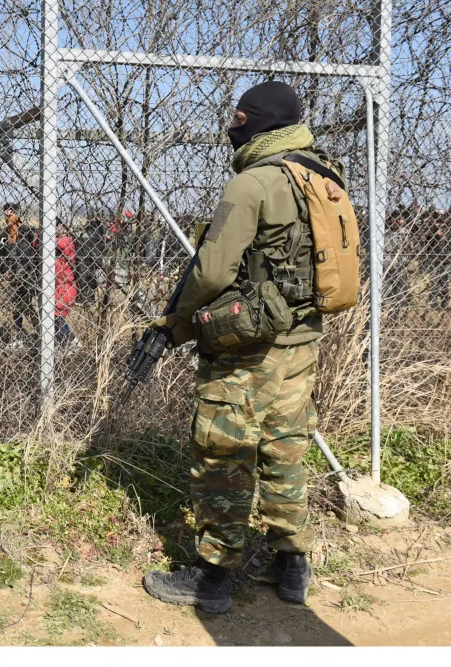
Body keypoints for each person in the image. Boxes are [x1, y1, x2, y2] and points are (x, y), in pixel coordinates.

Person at [142, 81, 331, 613]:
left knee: (225, 451)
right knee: (285, 446)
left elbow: (212, 269)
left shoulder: (252, 183)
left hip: (248, 346)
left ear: (258, 122)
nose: (233, 125)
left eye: (239, 117)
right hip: (301, 341)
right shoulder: (321, 176)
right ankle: (291, 565)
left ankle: (212, 578)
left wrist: (175, 322)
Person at [0, 202, 38, 347]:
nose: (9, 218)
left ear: (17, 214)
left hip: (28, 276)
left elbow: (34, 253)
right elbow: (1, 255)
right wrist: (4, 271)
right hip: (14, 277)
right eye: (7, 215)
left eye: (12, 214)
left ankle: (41, 333)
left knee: (28, 307)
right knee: (16, 309)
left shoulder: (27, 232)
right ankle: (18, 337)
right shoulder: (4, 235)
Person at [50, 219, 80, 351]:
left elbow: (61, 244)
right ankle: (64, 342)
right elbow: (36, 243)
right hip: (58, 286)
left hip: (65, 287)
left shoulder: (67, 241)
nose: (57, 229)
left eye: (59, 226)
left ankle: (70, 341)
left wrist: (47, 236)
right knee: (55, 317)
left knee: (57, 317)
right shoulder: (55, 246)